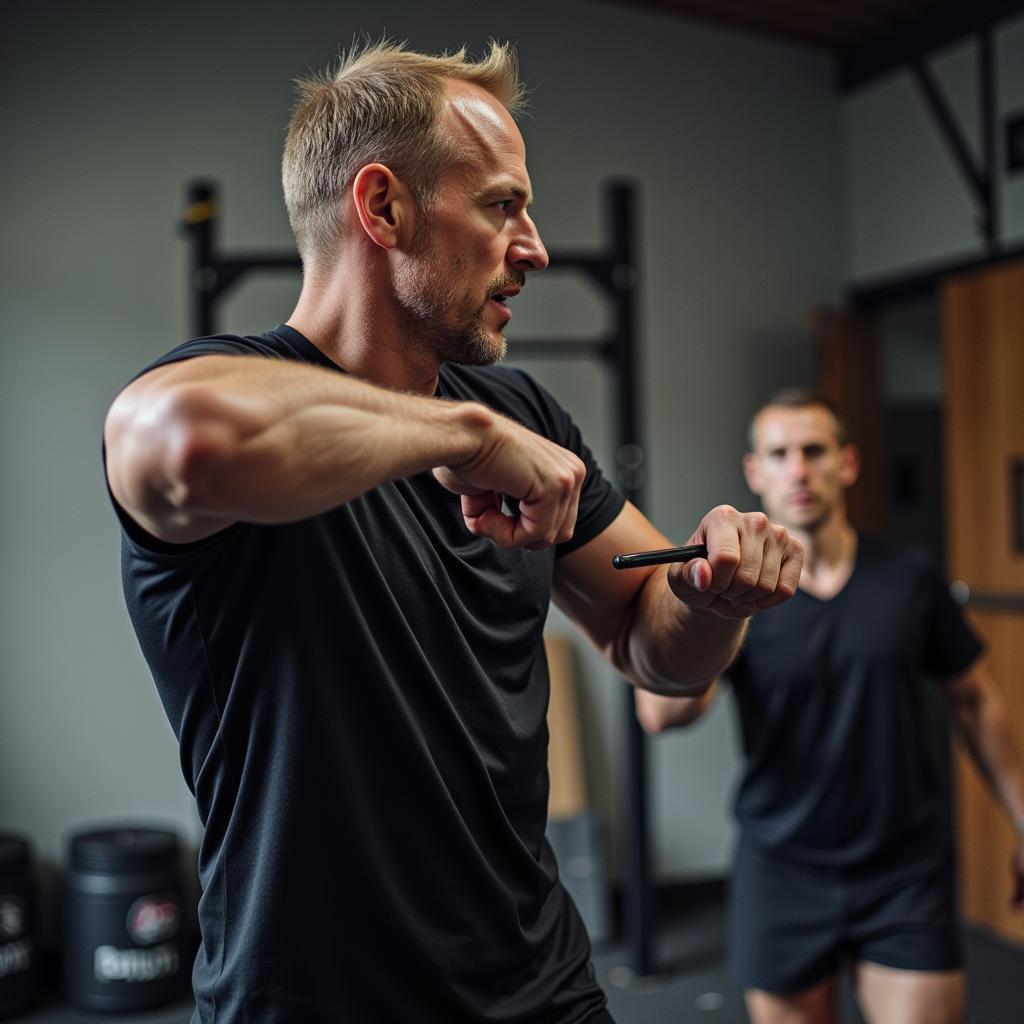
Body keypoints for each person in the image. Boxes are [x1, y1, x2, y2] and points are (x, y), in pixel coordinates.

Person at [102, 41, 803, 1023]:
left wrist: (708, 599)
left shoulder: (523, 407)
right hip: (309, 1002)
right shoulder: (227, 392)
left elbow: (653, 649)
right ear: (382, 207)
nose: (536, 247)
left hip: (542, 989)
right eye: (501, 205)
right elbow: (183, 442)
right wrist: (468, 436)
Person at [636, 388, 1024, 1024]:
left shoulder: (908, 577)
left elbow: (975, 699)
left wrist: (1022, 819)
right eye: (779, 454)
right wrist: (697, 611)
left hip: (903, 869)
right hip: (782, 867)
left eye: (813, 451)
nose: (798, 470)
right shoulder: (738, 599)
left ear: (847, 464)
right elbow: (662, 716)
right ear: (755, 472)